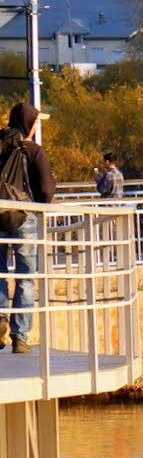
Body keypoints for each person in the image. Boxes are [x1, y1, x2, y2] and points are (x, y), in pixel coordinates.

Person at [0, 103, 54, 355]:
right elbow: (46, 189)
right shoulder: (33, 150)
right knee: (26, 277)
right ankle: (20, 338)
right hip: (24, 218)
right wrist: (38, 208)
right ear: (29, 123)